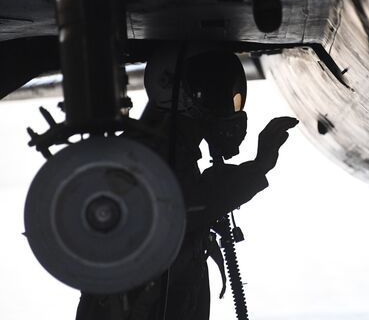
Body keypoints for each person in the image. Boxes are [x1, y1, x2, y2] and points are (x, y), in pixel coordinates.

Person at [75, 50, 298, 320]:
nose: (225, 106)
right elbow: (186, 205)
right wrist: (258, 167)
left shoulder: (161, 144)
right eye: (213, 94)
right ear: (179, 96)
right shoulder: (155, 150)